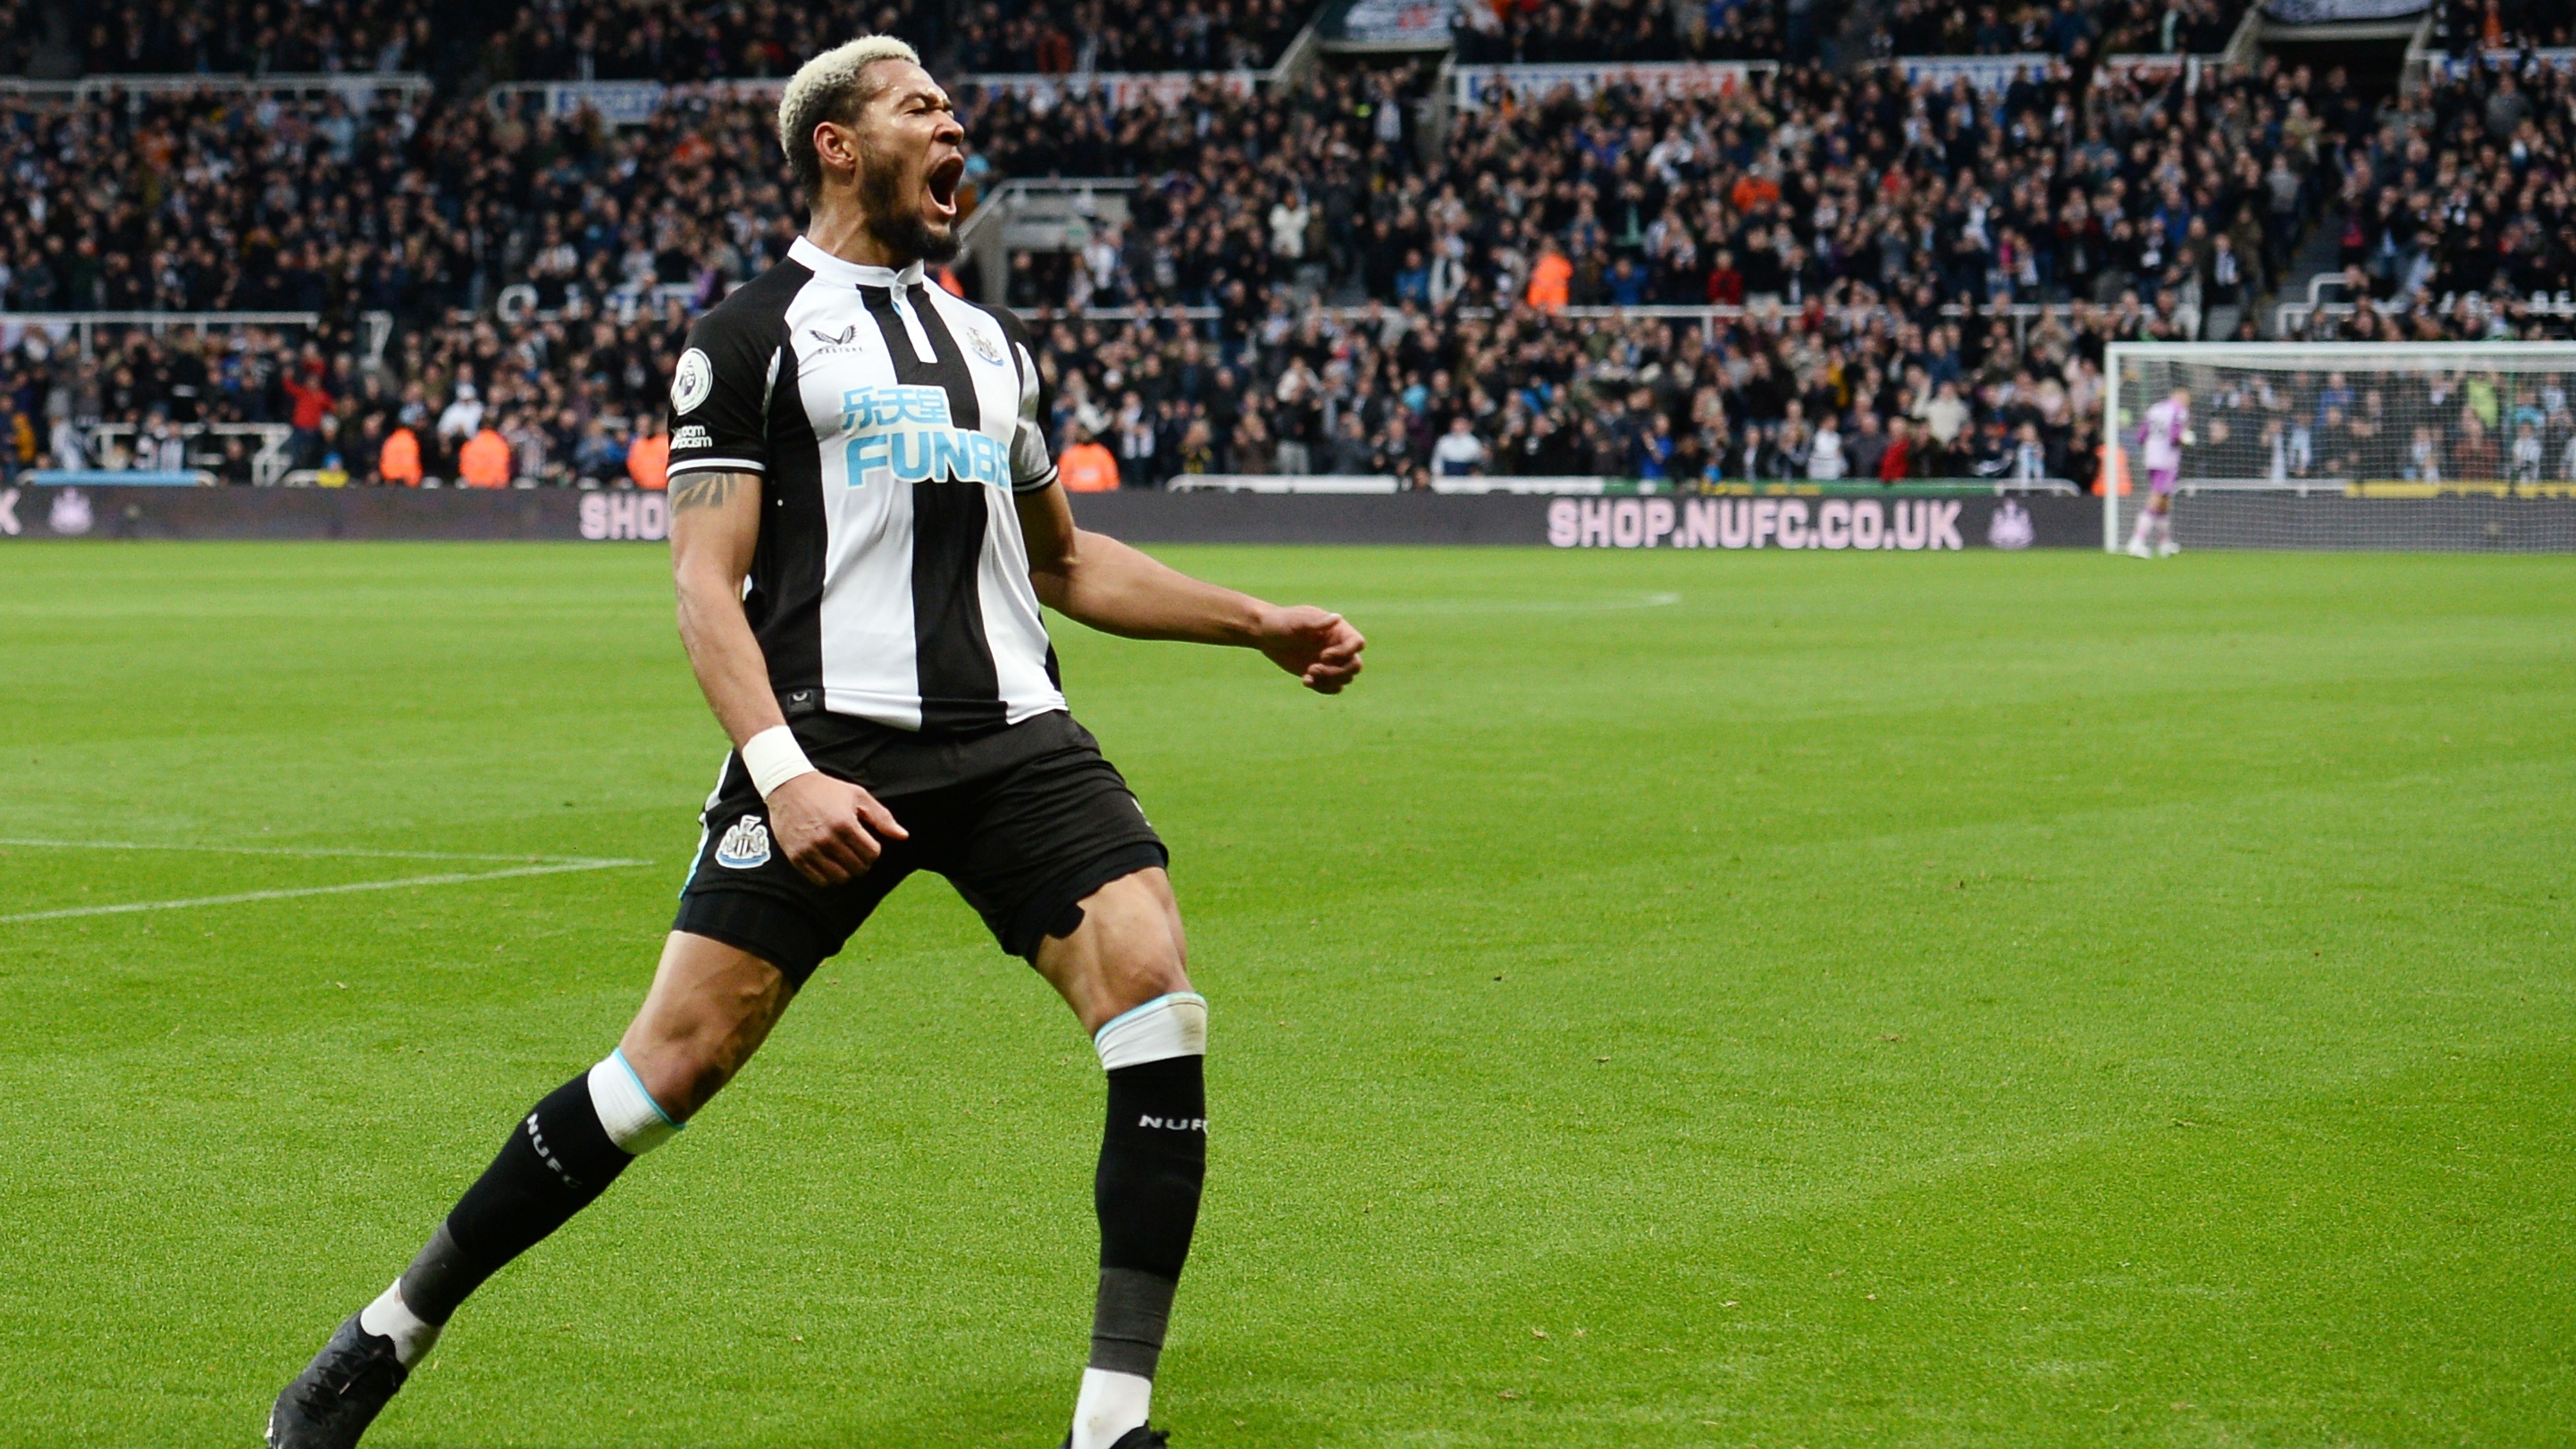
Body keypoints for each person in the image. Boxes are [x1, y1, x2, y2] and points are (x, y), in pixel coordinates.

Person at [265, 37, 1366, 1449]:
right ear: (839, 144)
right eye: (923, 107)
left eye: (953, 110)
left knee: (1155, 991)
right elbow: (698, 585)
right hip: (823, 742)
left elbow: (1069, 566)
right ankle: (382, 1335)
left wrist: (1256, 619)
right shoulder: (746, 337)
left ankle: (1110, 1423)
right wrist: (783, 778)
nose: (953, 127)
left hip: (1012, 734)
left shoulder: (985, 343)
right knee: (667, 1067)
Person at [2126, 385, 2191, 557]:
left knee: (2163, 501)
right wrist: (2187, 439)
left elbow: (2140, 436)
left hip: (2151, 458)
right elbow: (2175, 437)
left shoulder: (2154, 409)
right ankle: (2137, 540)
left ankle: (2165, 542)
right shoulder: (2180, 411)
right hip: (2166, 461)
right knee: (2156, 498)